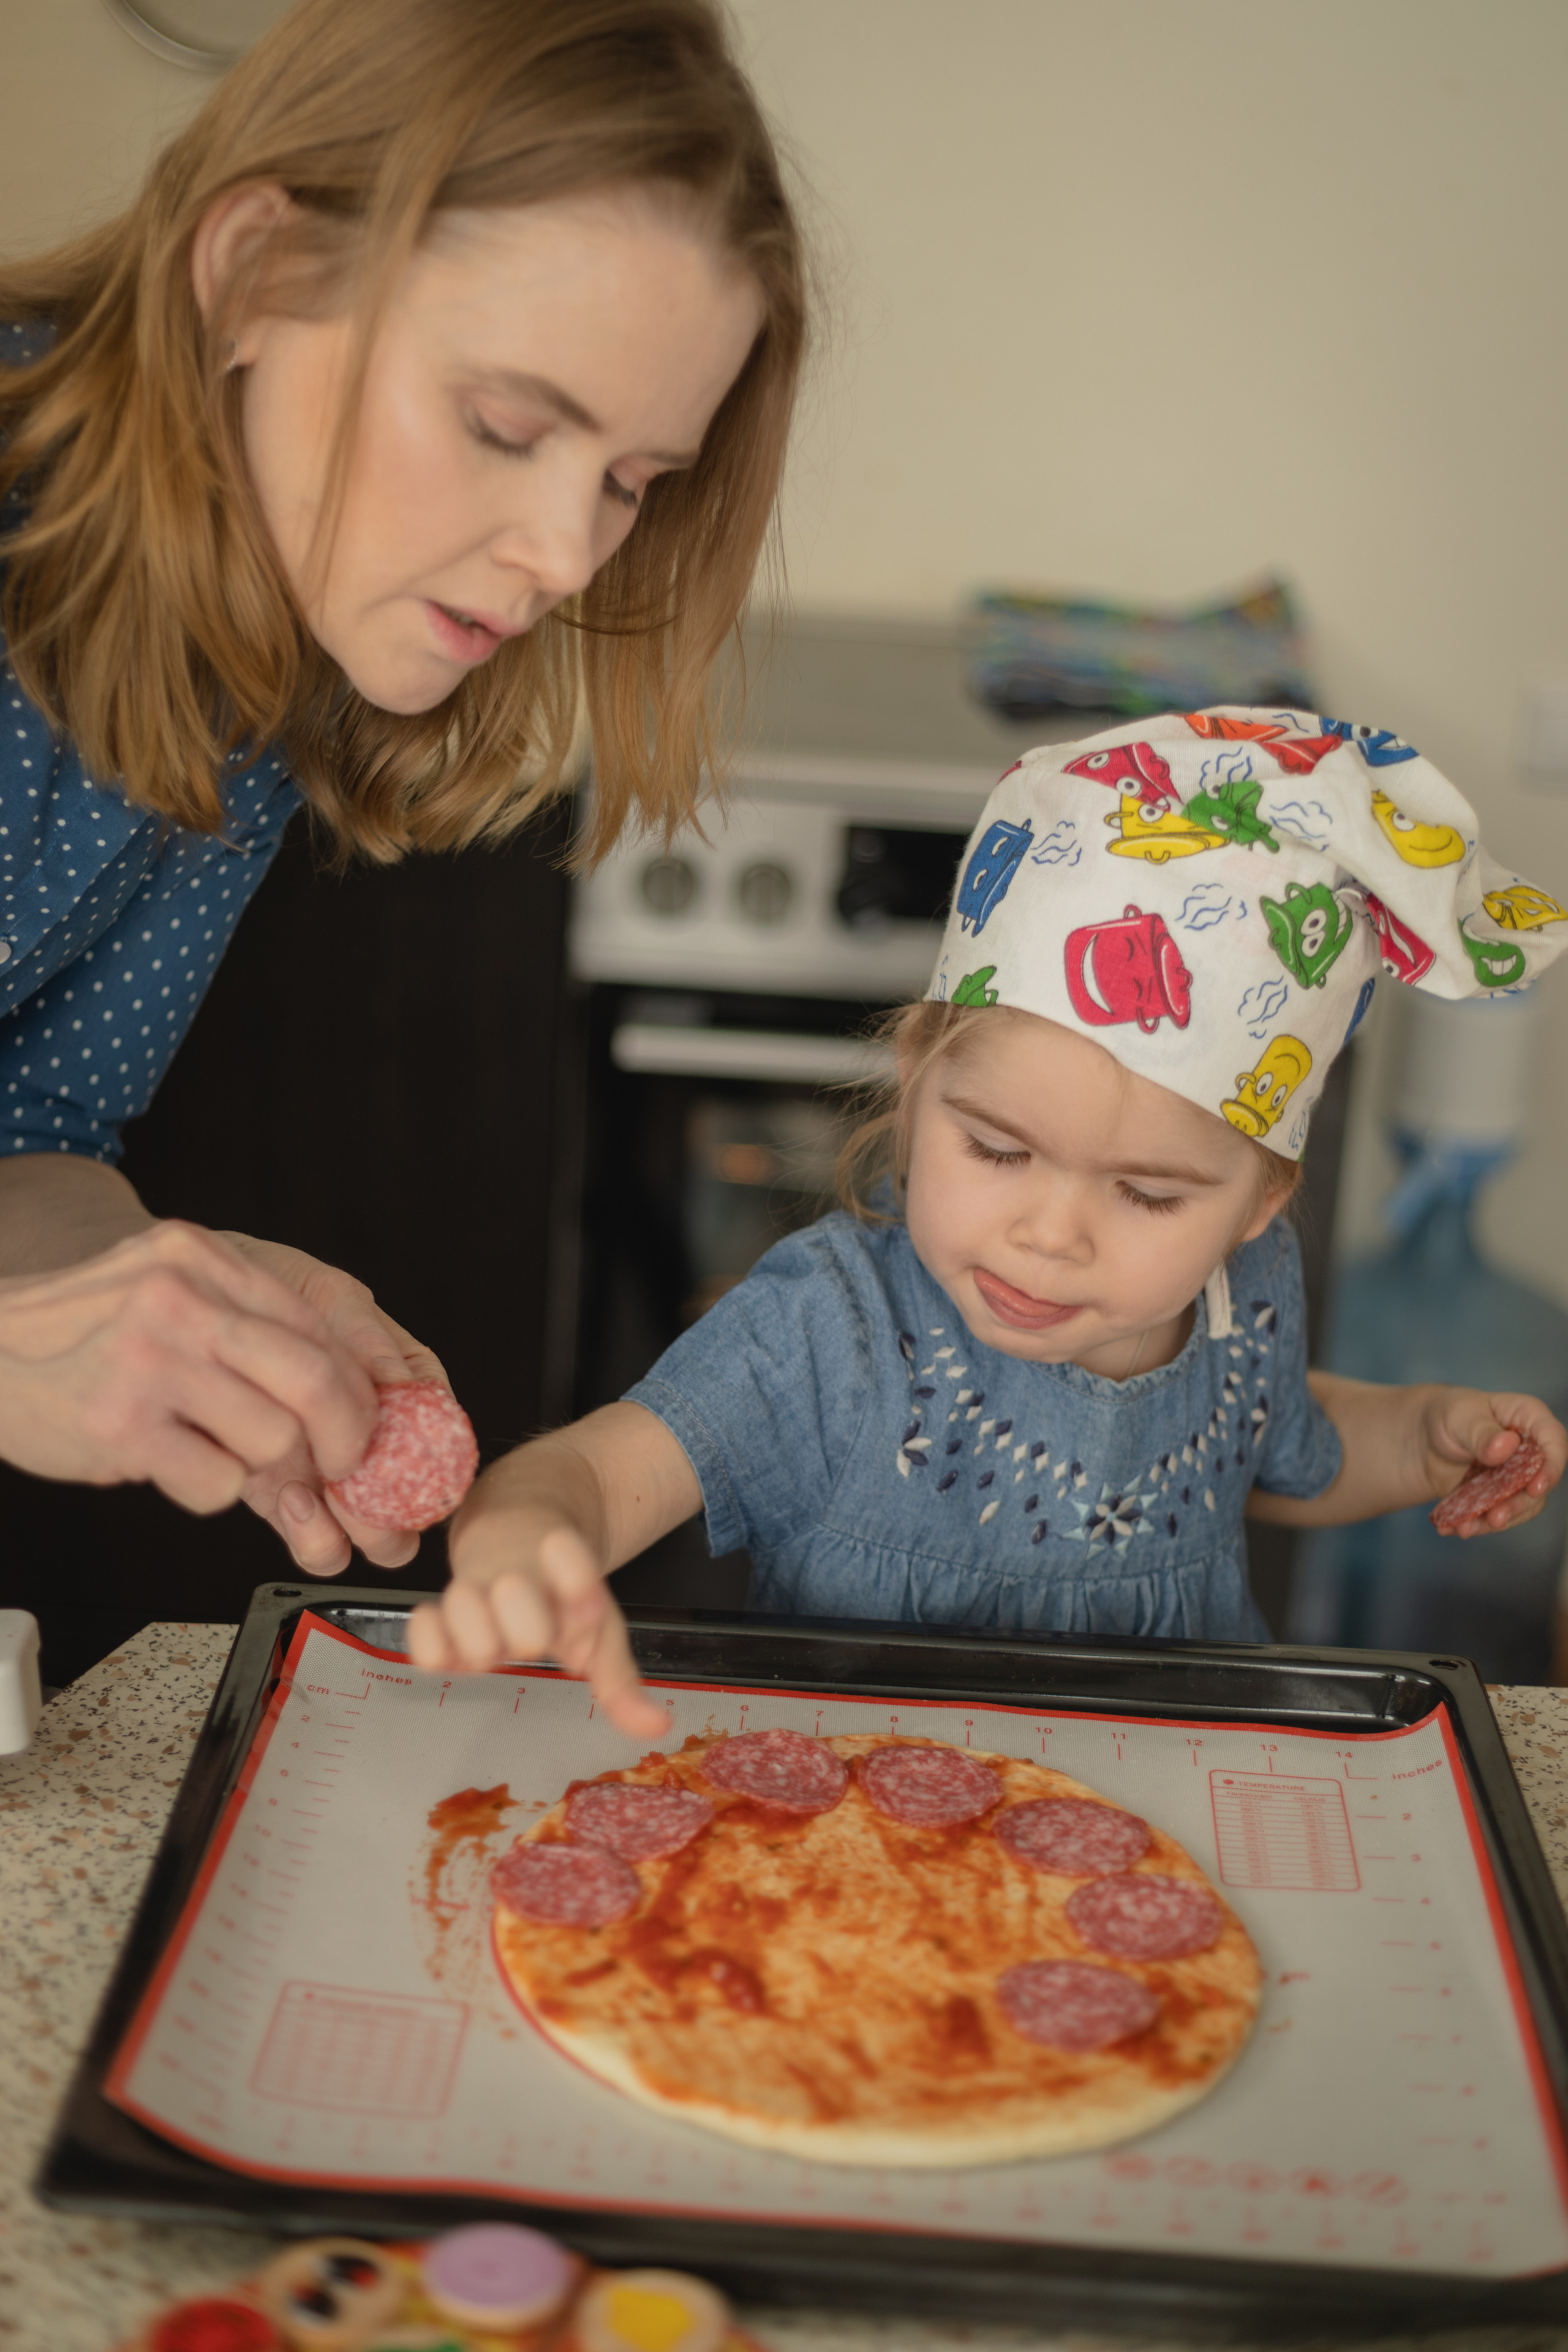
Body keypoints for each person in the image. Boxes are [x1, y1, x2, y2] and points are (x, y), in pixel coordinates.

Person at [0, 0, 805, 1574]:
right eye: (507, 425)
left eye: (632, 482)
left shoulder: (259, 645)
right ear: (251, 276)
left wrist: (166, 1294)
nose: (569, 556)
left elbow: (28, 1125)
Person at [411, 709, 1568, 1732]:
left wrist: (1418, 1436)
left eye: (1148, 1194)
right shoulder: (828, 1331)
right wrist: (526, 1545)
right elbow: (590, 1477)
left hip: (1160, 1839)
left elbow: (1287, 1449)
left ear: (1262, 1204)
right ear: (916, 1086)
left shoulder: (1244, 1300)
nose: (1051, 1235)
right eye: (999, 1150)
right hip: (847, 1848)